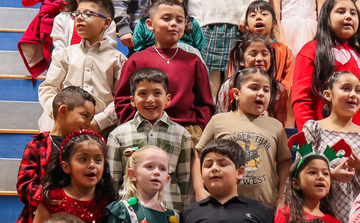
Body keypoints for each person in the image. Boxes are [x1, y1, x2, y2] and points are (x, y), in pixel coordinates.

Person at [114, 0, 216, 142]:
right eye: (166, 18)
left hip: (187, 132)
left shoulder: (194, 61)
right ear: (150, 24)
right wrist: (134, 127)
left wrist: (199, 129)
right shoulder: (136, 60)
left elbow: (204, 103)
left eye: (179, 20)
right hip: (144, 129)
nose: (174, 24)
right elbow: (122, 100)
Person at [25, 129, 117, 223]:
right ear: (66, 166)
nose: (92, 165)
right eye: (83, 159)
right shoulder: (52, 200)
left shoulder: (110, 203)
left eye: (98, 160)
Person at [11, 87, 96, 223]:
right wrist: (56, 199)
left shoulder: (87, 148)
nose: (89, 123)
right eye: (84, 116)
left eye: (91, 118)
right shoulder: (37, 145)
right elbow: (25, 187)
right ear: (63, 111)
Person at [195, 68, 290, 207]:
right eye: (254, 88)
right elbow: (198, 154)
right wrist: (199, 189)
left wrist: (282, 196)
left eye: (266, 90)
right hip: (222, 204)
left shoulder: (276, 126)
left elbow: (285, 163)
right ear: (236, 94)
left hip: (265, 205)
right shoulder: (218, 121)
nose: (261, 93)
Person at [38, 0, 125, 133]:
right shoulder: (64, 55)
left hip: (102, 130)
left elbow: (121, 98)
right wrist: (59, 114)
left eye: (88, 14)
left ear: (106, 23)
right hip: (65, 127)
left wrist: (99, 121)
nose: (79, 18)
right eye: (77, 14)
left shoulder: (118, 59)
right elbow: (48, 88)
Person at [107, 68, 193, 211]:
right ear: (132, 100)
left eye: (157, 93)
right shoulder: (118, 135)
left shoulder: (182, 135)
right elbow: (112, 182)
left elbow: (187, 184)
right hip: (129, 214)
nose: (150, 100)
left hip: (169, 213)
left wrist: (187, 217)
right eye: (143, 93)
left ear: (168, 99)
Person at [302, 70, 360, 223]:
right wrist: (330, 175)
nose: (353, 94)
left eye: (358, 90)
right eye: (346, 88)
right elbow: (301, 169)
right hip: (322, 211)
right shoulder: (313, 129)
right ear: (328, 95)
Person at [293, 0, 360, 130]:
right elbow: (301, 98)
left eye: (353, 13)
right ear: (326, 18)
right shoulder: (311, 50)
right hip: (323, 136)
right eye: (341, 11)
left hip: (359, 136)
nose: (348, 17)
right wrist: (308, 134)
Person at [215, 33, 289, 124]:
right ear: (241, 60)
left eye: (264, 54)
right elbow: (221, 121)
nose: (259, 58)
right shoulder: (229, 85)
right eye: (253, 54)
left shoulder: (279, 90)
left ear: (271, 60)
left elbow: (279, 125)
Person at [130, 0, 207, 57]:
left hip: (186, 61)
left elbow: (200, 50)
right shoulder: (143, 24)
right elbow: (139, 53)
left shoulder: (191, 23)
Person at [238, 0, 294, 91]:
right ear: (247, 25)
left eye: (264, 14)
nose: (258, 17)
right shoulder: (240, 49)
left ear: (274, 23)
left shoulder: (283, 50)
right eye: (253, 15)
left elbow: (287, 82)